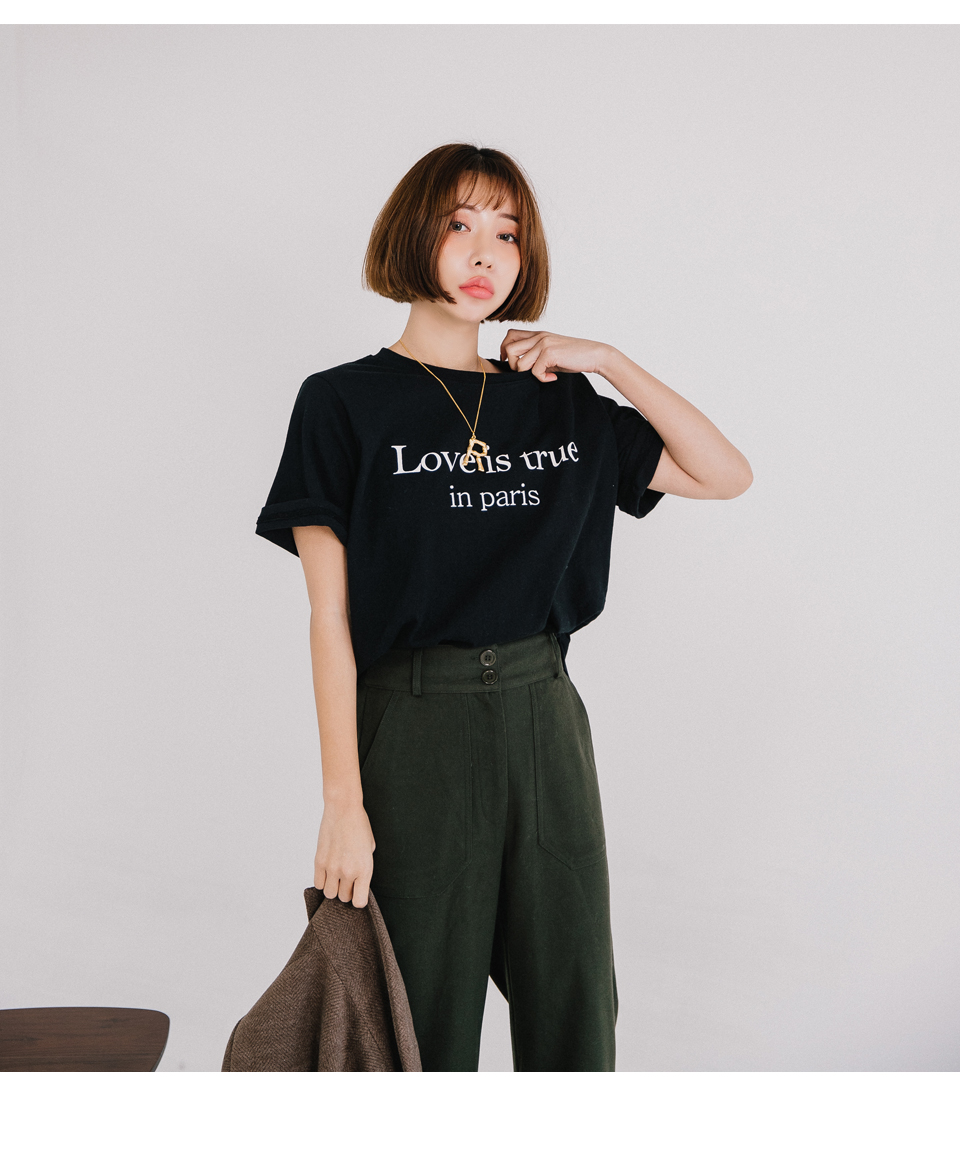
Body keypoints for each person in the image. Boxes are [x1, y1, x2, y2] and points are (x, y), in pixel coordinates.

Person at [255, 143, 752, 1072]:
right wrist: (342, 804)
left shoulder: (561, 404)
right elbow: (329, 619)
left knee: (574, 1003)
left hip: (544, 717)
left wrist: (607, 360)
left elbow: (725, 473)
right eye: (459, 225)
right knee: (418, 1022)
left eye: (508, 233)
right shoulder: (342, 404)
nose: (485, 253)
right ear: (413, 234)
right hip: (413, 727)